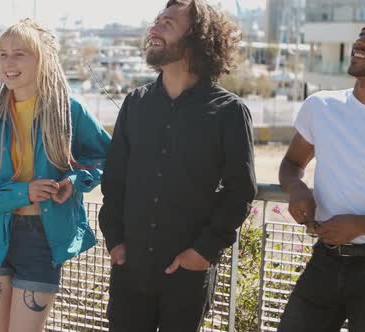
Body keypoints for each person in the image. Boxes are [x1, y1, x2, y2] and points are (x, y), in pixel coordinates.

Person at [99, 0, 257, 331]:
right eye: (156, 21)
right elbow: (114, 180)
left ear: (197, 38)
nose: (154, 29)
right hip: (130, 269)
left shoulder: (229, 112)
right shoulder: (135, 103)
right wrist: (115, 240)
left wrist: (202, 253)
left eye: (168, 23)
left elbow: (240, 190)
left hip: (186, 276)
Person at [0, 18, 110, 332]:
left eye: (19, 54)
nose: (8, 63)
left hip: (42, 237)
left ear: (43, 58)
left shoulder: (70, 111)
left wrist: (74, 181)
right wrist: (23, 192)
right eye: (2, 54)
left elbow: (107, 159)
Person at [277, 7, 365, 332]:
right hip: (325, 260)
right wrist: (297, 189)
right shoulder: (321, 107)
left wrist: (360, 225)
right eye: (364, 33)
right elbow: (292, 164)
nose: (363, 42)